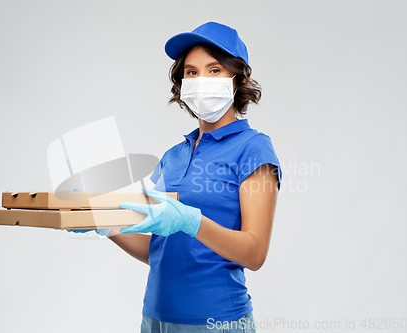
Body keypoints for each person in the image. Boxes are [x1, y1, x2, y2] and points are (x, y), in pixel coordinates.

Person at [104, 22, 281, 332]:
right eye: (192, 71)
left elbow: (254, 253)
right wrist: (106, 225)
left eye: (214, 70)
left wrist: (192, 221)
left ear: (237, 79)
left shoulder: (254, 148)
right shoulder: (173, 156)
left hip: (215, 322)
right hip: (155, 319)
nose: (201, 80)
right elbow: (159, 251)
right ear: (181, 82)